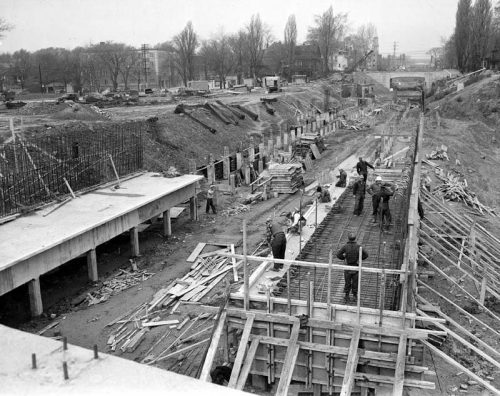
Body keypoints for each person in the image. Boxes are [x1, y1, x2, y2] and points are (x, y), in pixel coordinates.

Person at [336, 232, 369, 303]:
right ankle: (355, 296)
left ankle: (347, 296)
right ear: (355, 238)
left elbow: (338, 255)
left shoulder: (345, 246)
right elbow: (366, 255)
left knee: (347, 282)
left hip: (347, 267)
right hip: (356, 267)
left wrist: (343, 257)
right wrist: (360, 258)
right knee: (355, 282)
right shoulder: (359, 246)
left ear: (348, 238)